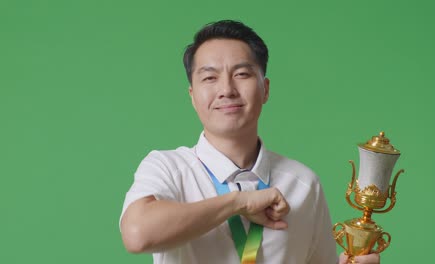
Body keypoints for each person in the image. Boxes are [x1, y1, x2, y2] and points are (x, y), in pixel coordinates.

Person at [120, 20, 380, 264]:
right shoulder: (168, 168)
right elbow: (136, 234)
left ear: (265, 89)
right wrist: (239, 202)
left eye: (241, 74)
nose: (226, 89)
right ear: (192, 95)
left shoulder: (303, 182)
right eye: (210, 78)